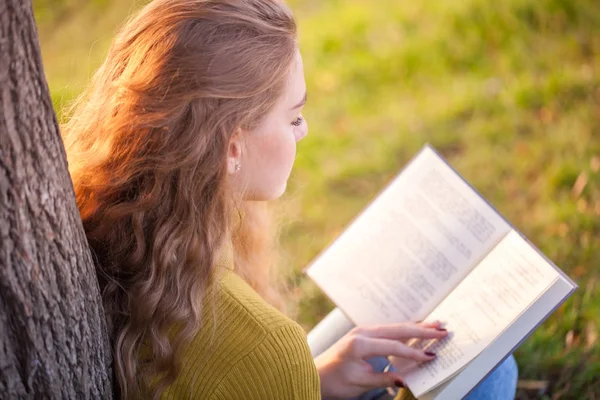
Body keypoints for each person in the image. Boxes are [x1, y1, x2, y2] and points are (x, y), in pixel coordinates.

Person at [62, 0, 517, 399]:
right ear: (232, 146)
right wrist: (294, 375)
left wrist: (316, 381)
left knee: (373, 329)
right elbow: (250, 368)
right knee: (487, 369)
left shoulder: (107, 220)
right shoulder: (266, 346)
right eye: (294, 116)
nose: (305, 130)